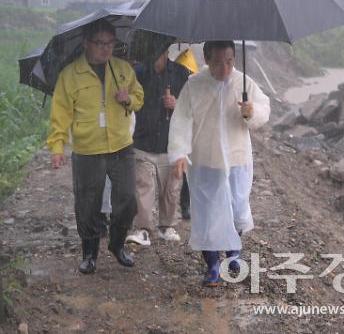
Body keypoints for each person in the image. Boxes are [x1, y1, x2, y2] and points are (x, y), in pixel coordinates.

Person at [168, 40, 270, 286]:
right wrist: (179, 153)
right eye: (218, 63)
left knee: (236, 209)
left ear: (234, 59)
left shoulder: (244, 82)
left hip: (237, 159)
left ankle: (234, 254)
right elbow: (181, 120)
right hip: (205, 160)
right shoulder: (194, 85)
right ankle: (213, 265)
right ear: (206, 60)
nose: (224, 69)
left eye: (229, 62)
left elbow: (264, 110)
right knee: (208, 215)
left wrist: (251, 111)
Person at [47, 19, 144, 274]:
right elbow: (60, 115)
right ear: (86, 43)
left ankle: (117, 244)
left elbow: (139, 98)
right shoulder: (70, 75)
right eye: (100, 43)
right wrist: (58, 148)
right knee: (88, 203)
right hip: (87, 151)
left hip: (122, 146)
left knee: (127, 199)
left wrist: (128, 99)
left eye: (110, 43)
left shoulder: (122, 69)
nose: (106, 49)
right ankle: (89, 253)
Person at [126, 49, 190, 246]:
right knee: (143, 185)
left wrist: (176, 104)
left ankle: (166, 225)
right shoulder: (136, 73)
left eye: (159, 51)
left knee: (171, 188)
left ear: (166, 51)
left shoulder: (181, 74)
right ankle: (143, 228)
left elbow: (192, 106)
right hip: (142, 141)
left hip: (171, 143)